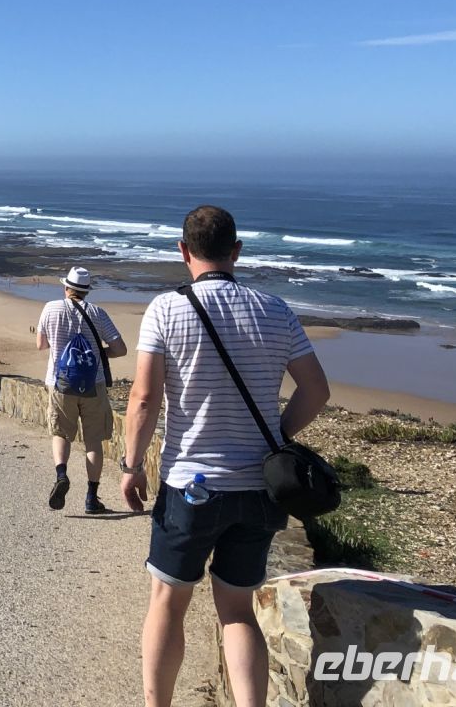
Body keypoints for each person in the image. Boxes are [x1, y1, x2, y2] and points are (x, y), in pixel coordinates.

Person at [120, 206, 330, 707]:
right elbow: (316, 391)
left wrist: (131, 465)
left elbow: (144, 399)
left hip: (190, 487)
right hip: (259, 489)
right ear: (236, 251)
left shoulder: (165, 309)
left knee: (167, 603)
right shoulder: (275, 310)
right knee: (237, 611)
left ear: (183, 250)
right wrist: (275, 434)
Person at [36, 266, 128, 514]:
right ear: (86, 291)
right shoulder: (98, 313)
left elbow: (41, 344)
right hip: (93, 383)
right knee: (93, 441)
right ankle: (91, 497)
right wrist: (97, 354)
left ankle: (61, 474)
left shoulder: (51, 308)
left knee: (61, 432)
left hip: (60, 382)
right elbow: (120, 349)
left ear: (66, 287)